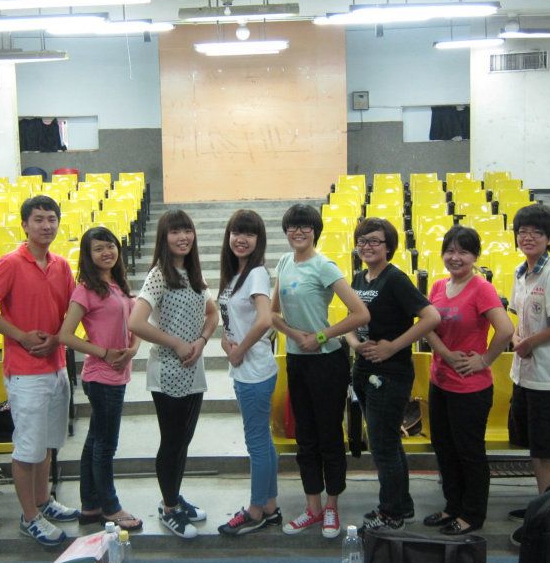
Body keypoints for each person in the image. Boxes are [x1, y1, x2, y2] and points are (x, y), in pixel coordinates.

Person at [0, 195, 79, 547]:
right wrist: (20, 336)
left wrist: (58, 339)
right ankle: (29, 517)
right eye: (39, 219)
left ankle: (43, 501)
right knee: (27, 448)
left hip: (57, 365)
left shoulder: (61, 265)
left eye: (52, 219)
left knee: (47, 444)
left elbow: (72, 311)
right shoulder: (10, 263)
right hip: (25, 371)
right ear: (25, 224)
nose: (46, 225)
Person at [272, 203, 370, 539]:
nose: (298, 231)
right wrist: (296, 335)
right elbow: (273, 314)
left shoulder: (324, 266)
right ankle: (312, 507)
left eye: (306, 226)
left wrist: (321, 336)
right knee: (305, 437)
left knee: (329, 436)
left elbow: (360, 314)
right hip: (297, 360)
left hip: (327, 363)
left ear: (315, 231)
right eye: (293, 226)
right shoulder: (284, 263)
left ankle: (332, 507)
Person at [345, 218, 440, 533]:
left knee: (383, 446)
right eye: (362, 241)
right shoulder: (359, 278)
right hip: (364, 368)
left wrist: (392, 347)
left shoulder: (396, 279)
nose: (367, 246)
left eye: (375, 241)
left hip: (391, 372)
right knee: (386, 442)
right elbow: (351, 321)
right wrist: (356, 344)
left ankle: (391, 514)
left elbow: (431, 317)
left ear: (389, 246)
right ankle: (402, 506)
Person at [128, 209, 218, 540]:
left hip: (193, 370)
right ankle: (168, 509)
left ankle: (174, 498)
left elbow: (212, 313)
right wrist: (177, 343)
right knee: (171, 443)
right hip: (167, 371)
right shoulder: (158, 275)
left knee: (183, 442)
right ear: (164, 238)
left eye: (187, 231)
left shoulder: (193, 274)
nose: (183, 237)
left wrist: (201, 340)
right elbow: (135, 323)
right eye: (175, 232)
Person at [424, 225, 513, 535]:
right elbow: (427, 326)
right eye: (450, 250)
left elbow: (506, 330)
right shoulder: (438, 286)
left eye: (463, 251)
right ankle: (452, 506)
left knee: (469, 452)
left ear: (475, 256)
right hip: (440, 381)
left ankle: (472, 514)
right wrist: (446, 354)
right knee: (444, 449)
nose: (455, 257)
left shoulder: (481, 288)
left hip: (470, 388)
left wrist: (484, 360)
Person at [58, 227, 142, 532]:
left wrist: (133, 349)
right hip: (101, 377)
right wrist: (103, 353)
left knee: (95, 440)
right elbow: (65, 335)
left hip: (118, 373)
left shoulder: (118, 284)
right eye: (98, 248)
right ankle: (110, 507)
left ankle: (90, 505)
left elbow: (135, 325)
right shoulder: (86, 290)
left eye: (110, 246)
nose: (107, 252)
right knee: (106, 444)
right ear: (88, 255)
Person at [506, 203, 550, 527]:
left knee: (547, 452)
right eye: (522, 231)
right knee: (536, 449)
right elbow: (518, 319)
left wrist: (530, 342)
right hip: (525, 375)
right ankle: (543, 506)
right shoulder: (520, 273)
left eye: (537, 232)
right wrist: (518, 338)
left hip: (549, 378)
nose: (528, 237)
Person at [216, 210, 281, 536]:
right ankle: (269, 506)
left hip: (254, 371)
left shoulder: (255, 273)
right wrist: (227, 342)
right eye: (236, 232)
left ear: (259, 240)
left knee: (256, 442)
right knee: (262, 441)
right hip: (245, 368)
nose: (241, 239)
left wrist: (239, 350)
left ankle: (255, 511)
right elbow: (232, 319)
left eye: (249, 234)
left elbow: (265, 319)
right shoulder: (235, 274)